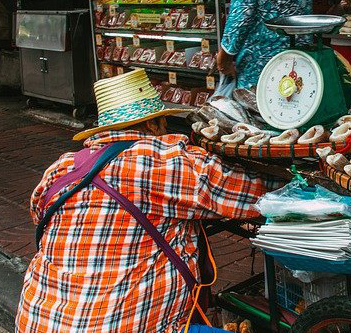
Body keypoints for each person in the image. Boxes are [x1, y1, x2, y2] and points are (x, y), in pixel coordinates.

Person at [16, 69, 270, 332]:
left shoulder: (60, 168)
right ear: (152, 125)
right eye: (162, 123)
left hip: (37, 321)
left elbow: (39, 214)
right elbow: (253, 193)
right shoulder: (161, 160)